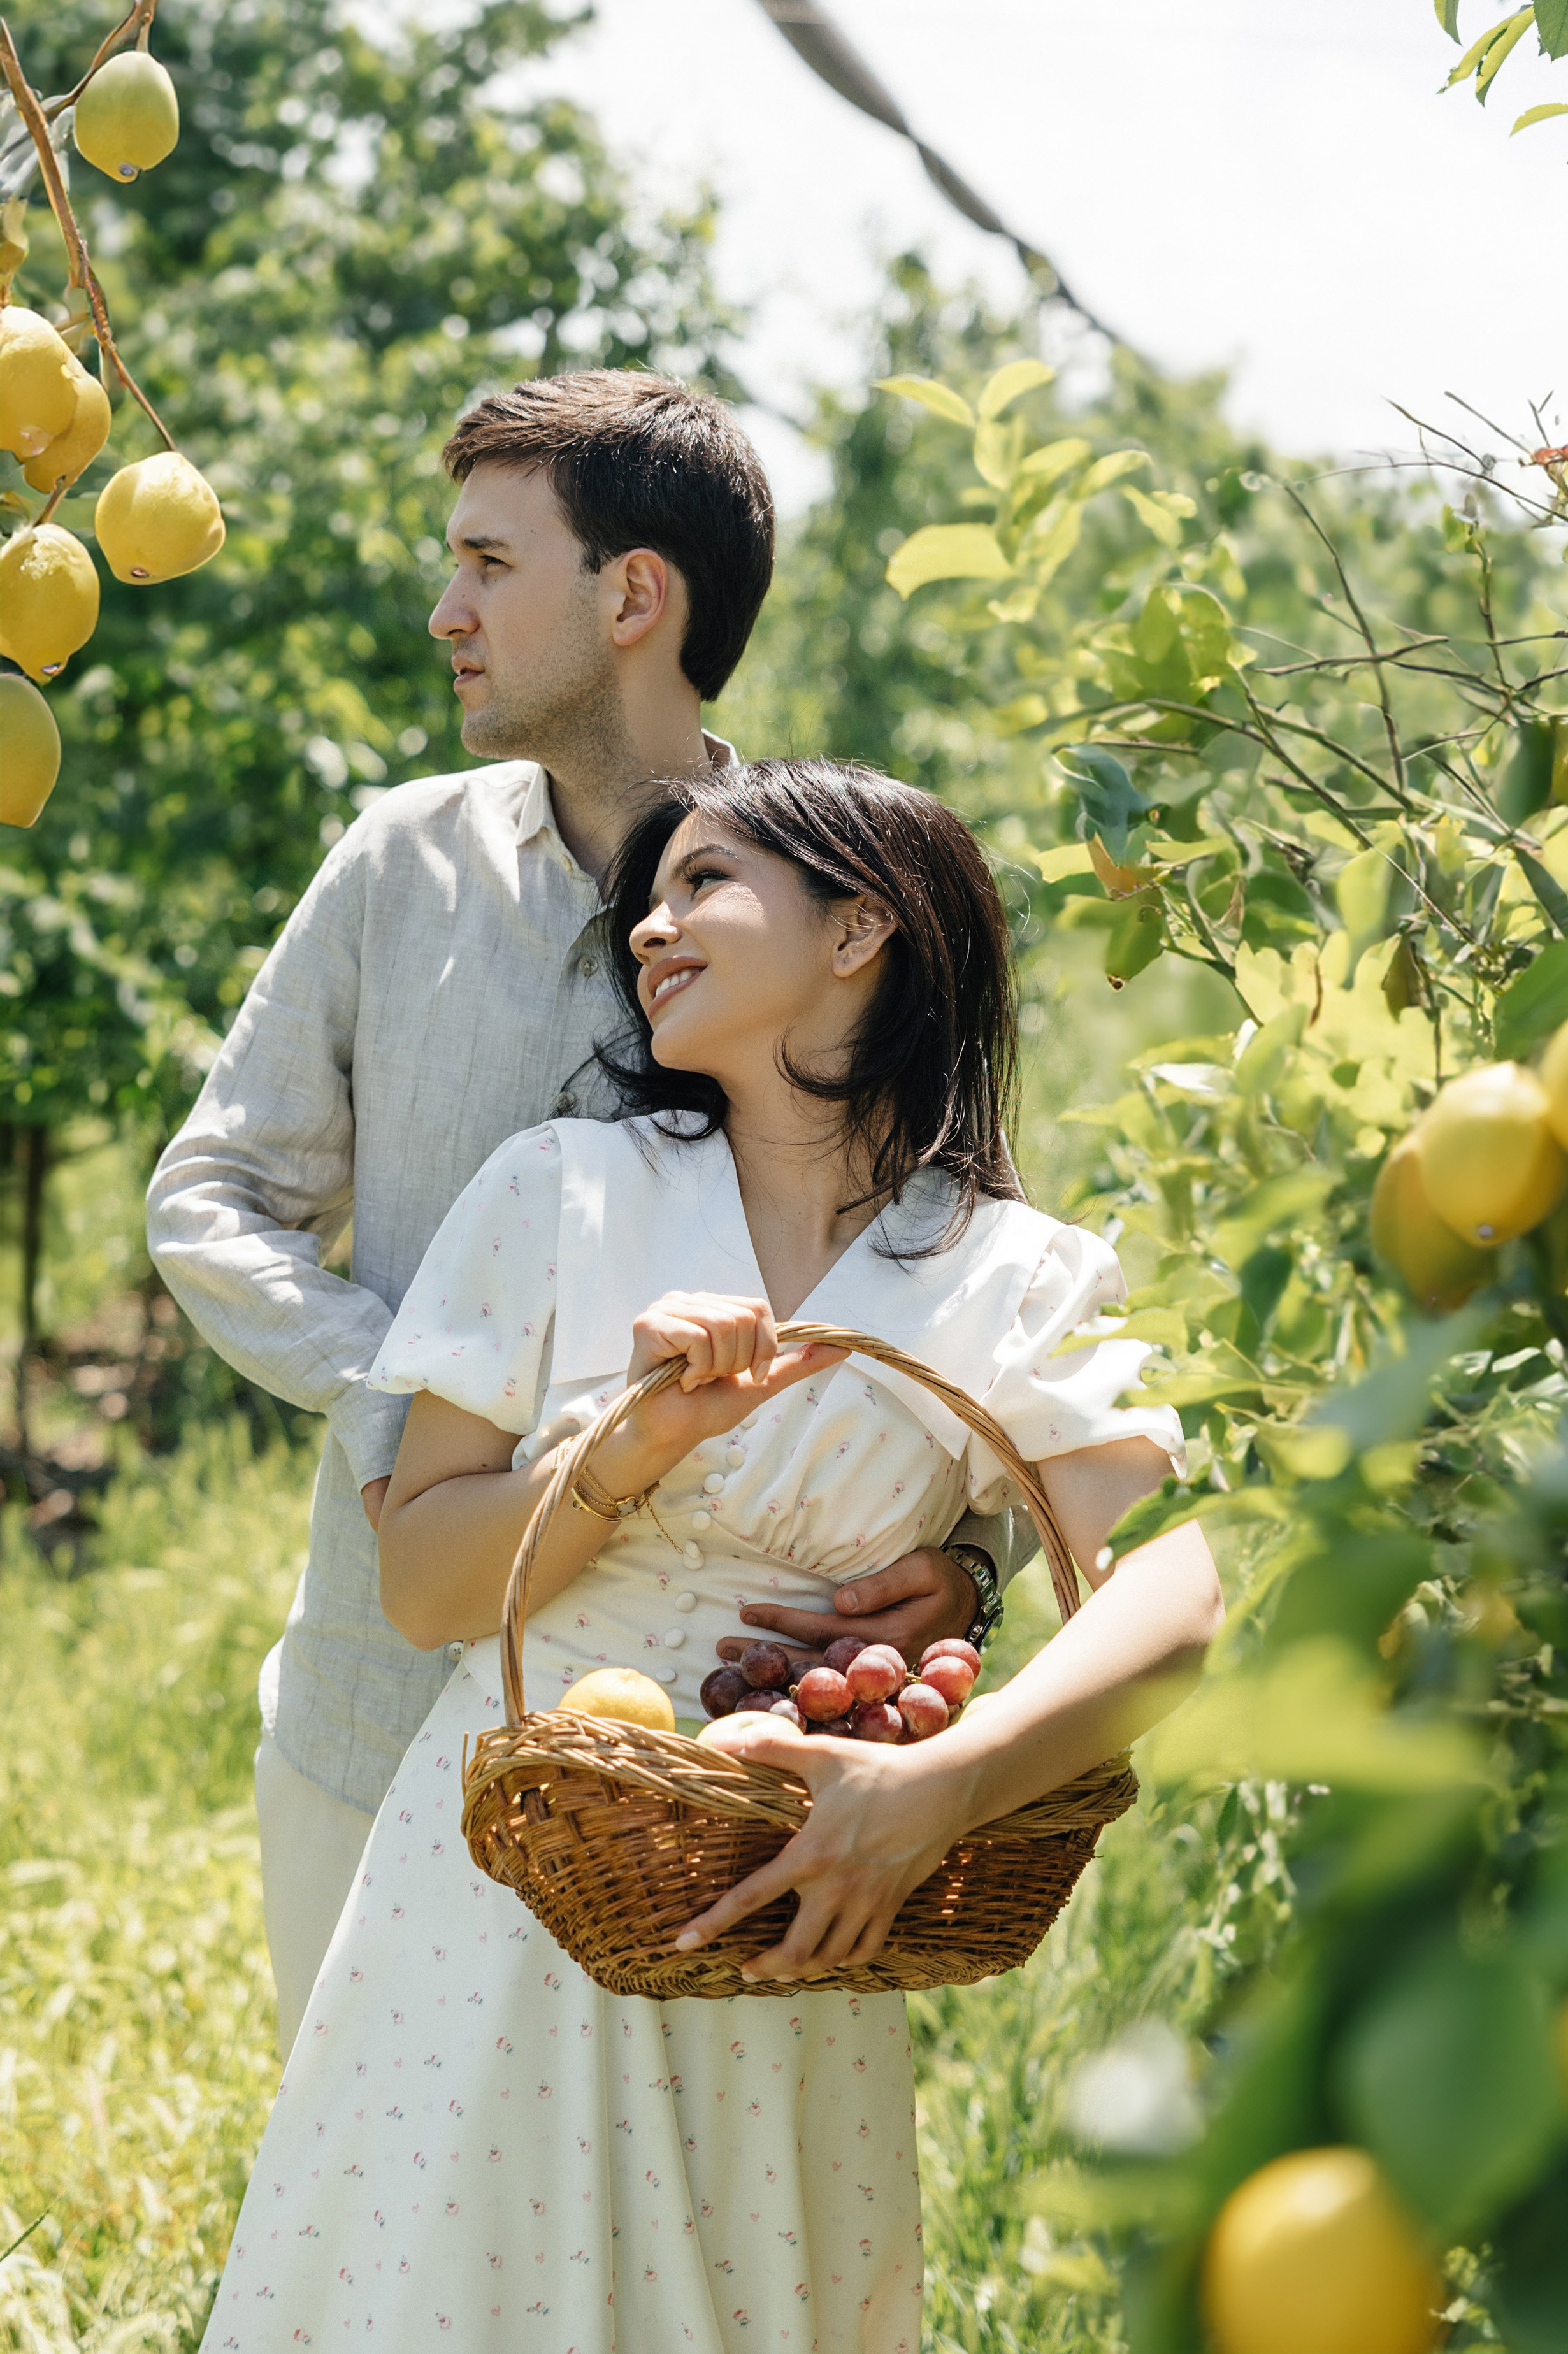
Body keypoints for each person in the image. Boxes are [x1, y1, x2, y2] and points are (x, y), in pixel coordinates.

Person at [199, 759, 1222, 2354]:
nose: (650, 928)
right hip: (519, 1883)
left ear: (859, 928)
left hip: (804, 1900)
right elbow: (425, 1589)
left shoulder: (1012, 1275)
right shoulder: (557, 1191)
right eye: (648, 899)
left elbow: (1174, 1592)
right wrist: (624, 1451)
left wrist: (937, 1791)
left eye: (706, 884)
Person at [145, 373, 1005, 2059]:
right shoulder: (399, 863)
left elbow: (943, 1279)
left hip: (707, 1752)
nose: (445, 612)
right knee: (373, 2180)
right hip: (382, 1693)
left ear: (632, 598)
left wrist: (968, 1566)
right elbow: (214, 1196)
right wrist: (407, 1400)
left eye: (488, 563)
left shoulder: (835, 906)